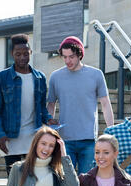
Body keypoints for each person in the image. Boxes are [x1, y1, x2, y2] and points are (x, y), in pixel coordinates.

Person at [0, 34, 55, 176]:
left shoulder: (39, 77)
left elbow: (41, 108)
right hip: (11, 138)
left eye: (26, 54)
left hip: (34, 137)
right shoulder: (2, 77)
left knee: (33, 181)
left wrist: (49, 118)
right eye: (18, 54)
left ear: (30, 53)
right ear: (12, 54)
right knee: (14, 183)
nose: (22, 57)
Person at [47, 36, 114, 174]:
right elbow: (51, 105)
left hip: (89, 140)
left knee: (87, 185)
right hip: (64, 140)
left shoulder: (96, 75)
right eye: (64, 57)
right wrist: (50, 130)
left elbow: (106, 104)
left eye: (71, 57)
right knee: (66, 184)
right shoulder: (55, 77)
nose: (67, 61)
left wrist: (111, 131)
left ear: (80, 54)